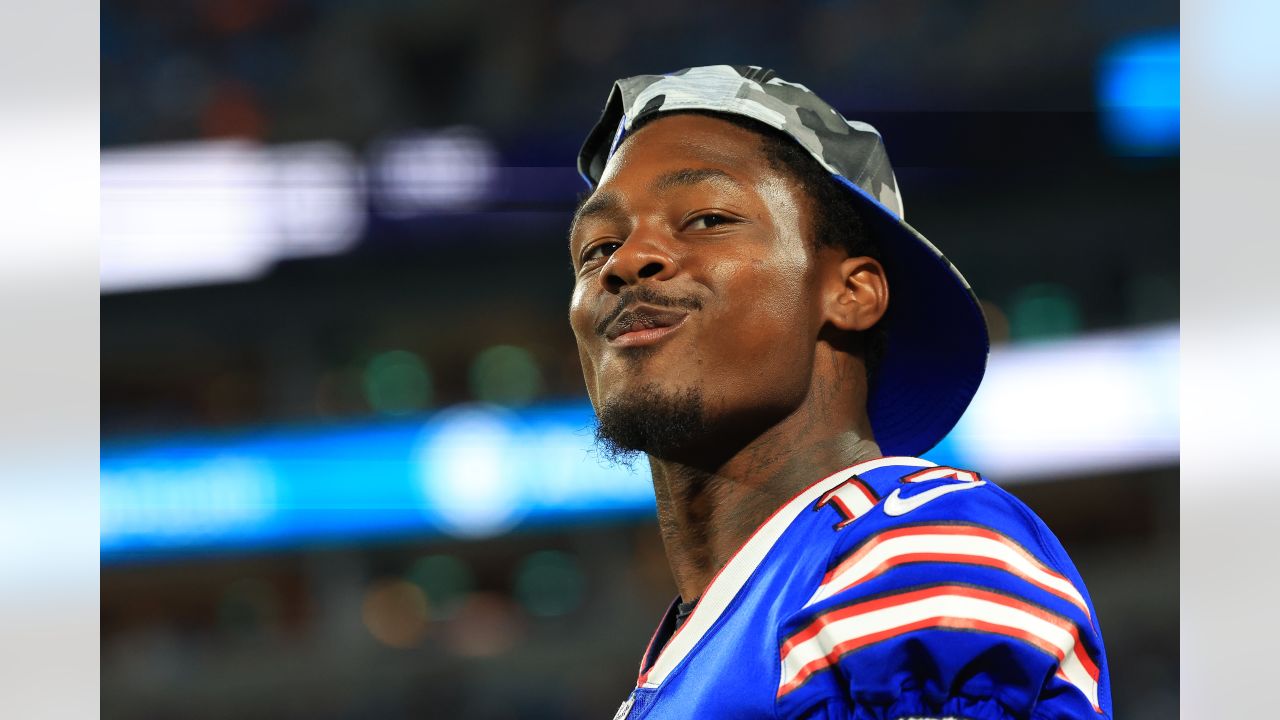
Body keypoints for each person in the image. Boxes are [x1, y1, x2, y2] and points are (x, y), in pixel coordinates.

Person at [567, 65, 1111, 720]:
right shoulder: (709, 641)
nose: (626, 261)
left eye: (707, 219)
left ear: (851, 293)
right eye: (597, 247)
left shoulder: (912, 549)